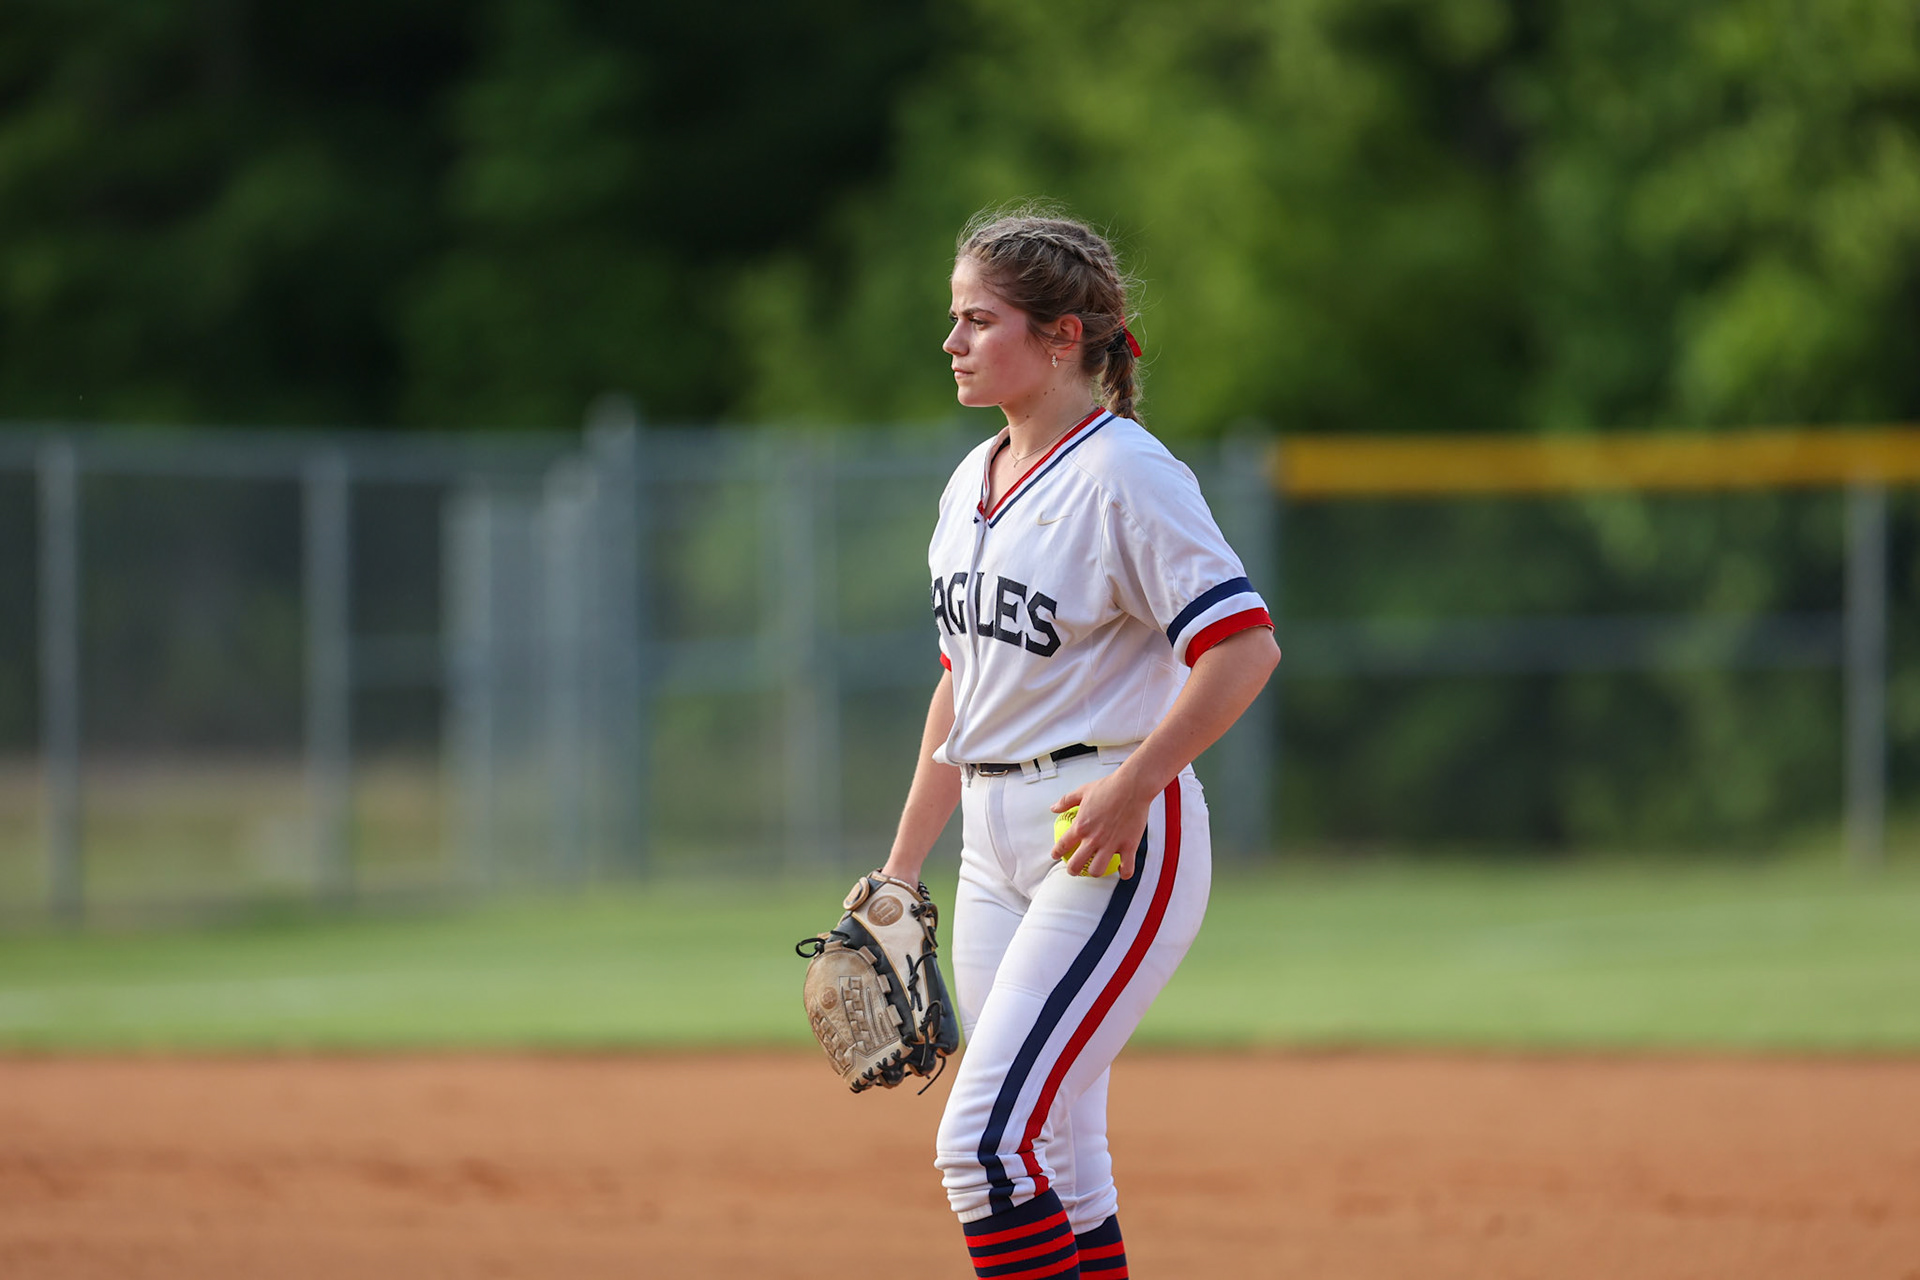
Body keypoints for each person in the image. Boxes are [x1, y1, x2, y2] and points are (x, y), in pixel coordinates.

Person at [879, 206, 1280, 1279]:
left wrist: (1139, 784)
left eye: (979, 319)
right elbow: (962, 688)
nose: (954, 341)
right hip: (990, 846)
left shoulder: (1126, 475)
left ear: (1061, 335)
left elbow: (1243, 650)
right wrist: (900, 865)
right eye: (954, 318)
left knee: (982, 1145)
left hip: (1103, 834)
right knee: (1056, 1146)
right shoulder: (971, 481)